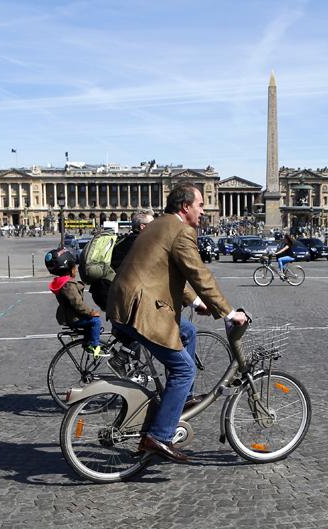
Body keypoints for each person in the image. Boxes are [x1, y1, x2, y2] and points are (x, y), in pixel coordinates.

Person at [107, 182, 248, 464]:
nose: (203, 210)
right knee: (183, 369)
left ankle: (181, 400)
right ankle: (159, 435)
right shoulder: (181, 231)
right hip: (142, 310)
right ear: (185, 207)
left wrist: (196, 303)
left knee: (189, 331)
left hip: (123, 303)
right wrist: (228, 312)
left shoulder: (160, 225)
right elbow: (199, 274)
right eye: (200, 205)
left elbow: (166, 271)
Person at [46, 247, 105, 357]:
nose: (76, 270)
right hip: (74, 318)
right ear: (69, 268)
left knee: (90, 323)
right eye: (75, 268)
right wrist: (91, 312)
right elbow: (77, 303)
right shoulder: (68, 285)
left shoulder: (62, 283)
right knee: (96, 321)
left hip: (69, 316)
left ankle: (88, 343)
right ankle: (94, 346)